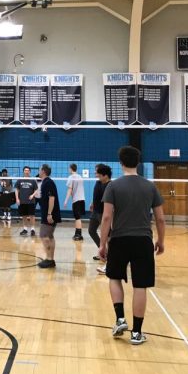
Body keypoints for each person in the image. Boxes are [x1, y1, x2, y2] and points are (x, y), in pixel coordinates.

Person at [98, 146, 165, 346]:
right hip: (143, 240)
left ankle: (120, 319)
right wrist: (161, 241)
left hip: (119, 239)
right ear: (138, 162)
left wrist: (102, 244)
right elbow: (160, 219)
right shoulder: (150, 186)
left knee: (114, 277)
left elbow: (107, 217)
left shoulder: (113, 186)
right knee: (140, 286)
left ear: (120, 163)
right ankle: (137, 333)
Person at [36, 164, 61, 268]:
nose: (38, 171)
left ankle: (49, 259)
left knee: (43, 235)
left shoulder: (48, 182)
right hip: (48, 214)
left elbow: (52, 198)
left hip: (49, 214)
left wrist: (49, 214)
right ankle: (50, 259)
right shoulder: (45, 182)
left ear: (43, 171)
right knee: (49, 236)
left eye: (39, 169)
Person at [90, 164, 113, 271]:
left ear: (105, 175)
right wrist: (92, 203)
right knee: (91, 231)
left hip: (104, 214)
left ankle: (109, 261)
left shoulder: (110, 185)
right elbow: (96, 195)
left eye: (98, 173)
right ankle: (103, 251)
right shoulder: (98, 182)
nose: (96, 174)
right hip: (95, 212)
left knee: (108, 237)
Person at [63, 163, 86, 241]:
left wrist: (66, 201)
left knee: (77, 218)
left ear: (70, 169)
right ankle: (78, 233)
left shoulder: (71, 177)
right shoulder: (80, 177)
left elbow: (70, 190)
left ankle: (78, 235)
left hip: (76, 199)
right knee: (78, 218)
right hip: (82, 199)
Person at [15, 165, 38, 236]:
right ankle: (25, 229)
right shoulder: (19, 180)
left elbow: (36, 189)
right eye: (25, 170)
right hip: (22, 201)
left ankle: (32, 229)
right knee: (24, 215)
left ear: (30, 172)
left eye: (28, 170)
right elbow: (16, 189)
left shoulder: (33, 180)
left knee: (32, 216)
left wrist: (33, 195)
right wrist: (17, 198)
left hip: (31, 201)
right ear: (23, 171)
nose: (26, 172)